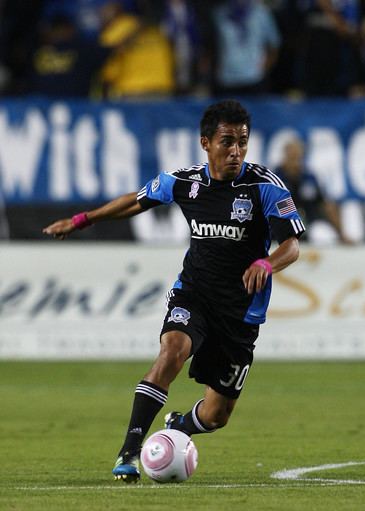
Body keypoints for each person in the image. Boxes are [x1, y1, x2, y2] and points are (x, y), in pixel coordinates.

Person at [43, 99, 305, 482]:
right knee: (171, 352)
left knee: (217, 416)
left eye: (242, 143)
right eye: (227, 142)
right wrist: (82, 220)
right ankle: (129, 453)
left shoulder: (264, 186)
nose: (235, 151)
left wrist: (267, 262)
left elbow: (292, 246)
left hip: (240, 313)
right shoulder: (184, 182)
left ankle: (179, 426)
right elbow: (135, 201)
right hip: (194, 294)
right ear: (205, 142)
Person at [274, 138, 352, 244]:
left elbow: (322, 200)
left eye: (297, 156)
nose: (295, 160)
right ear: (285, 155)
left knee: (330, 206)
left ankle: (342, 236)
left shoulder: (309, 177)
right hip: (281, 219)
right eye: (292, 156)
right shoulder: (275, 176)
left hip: (307, 217)